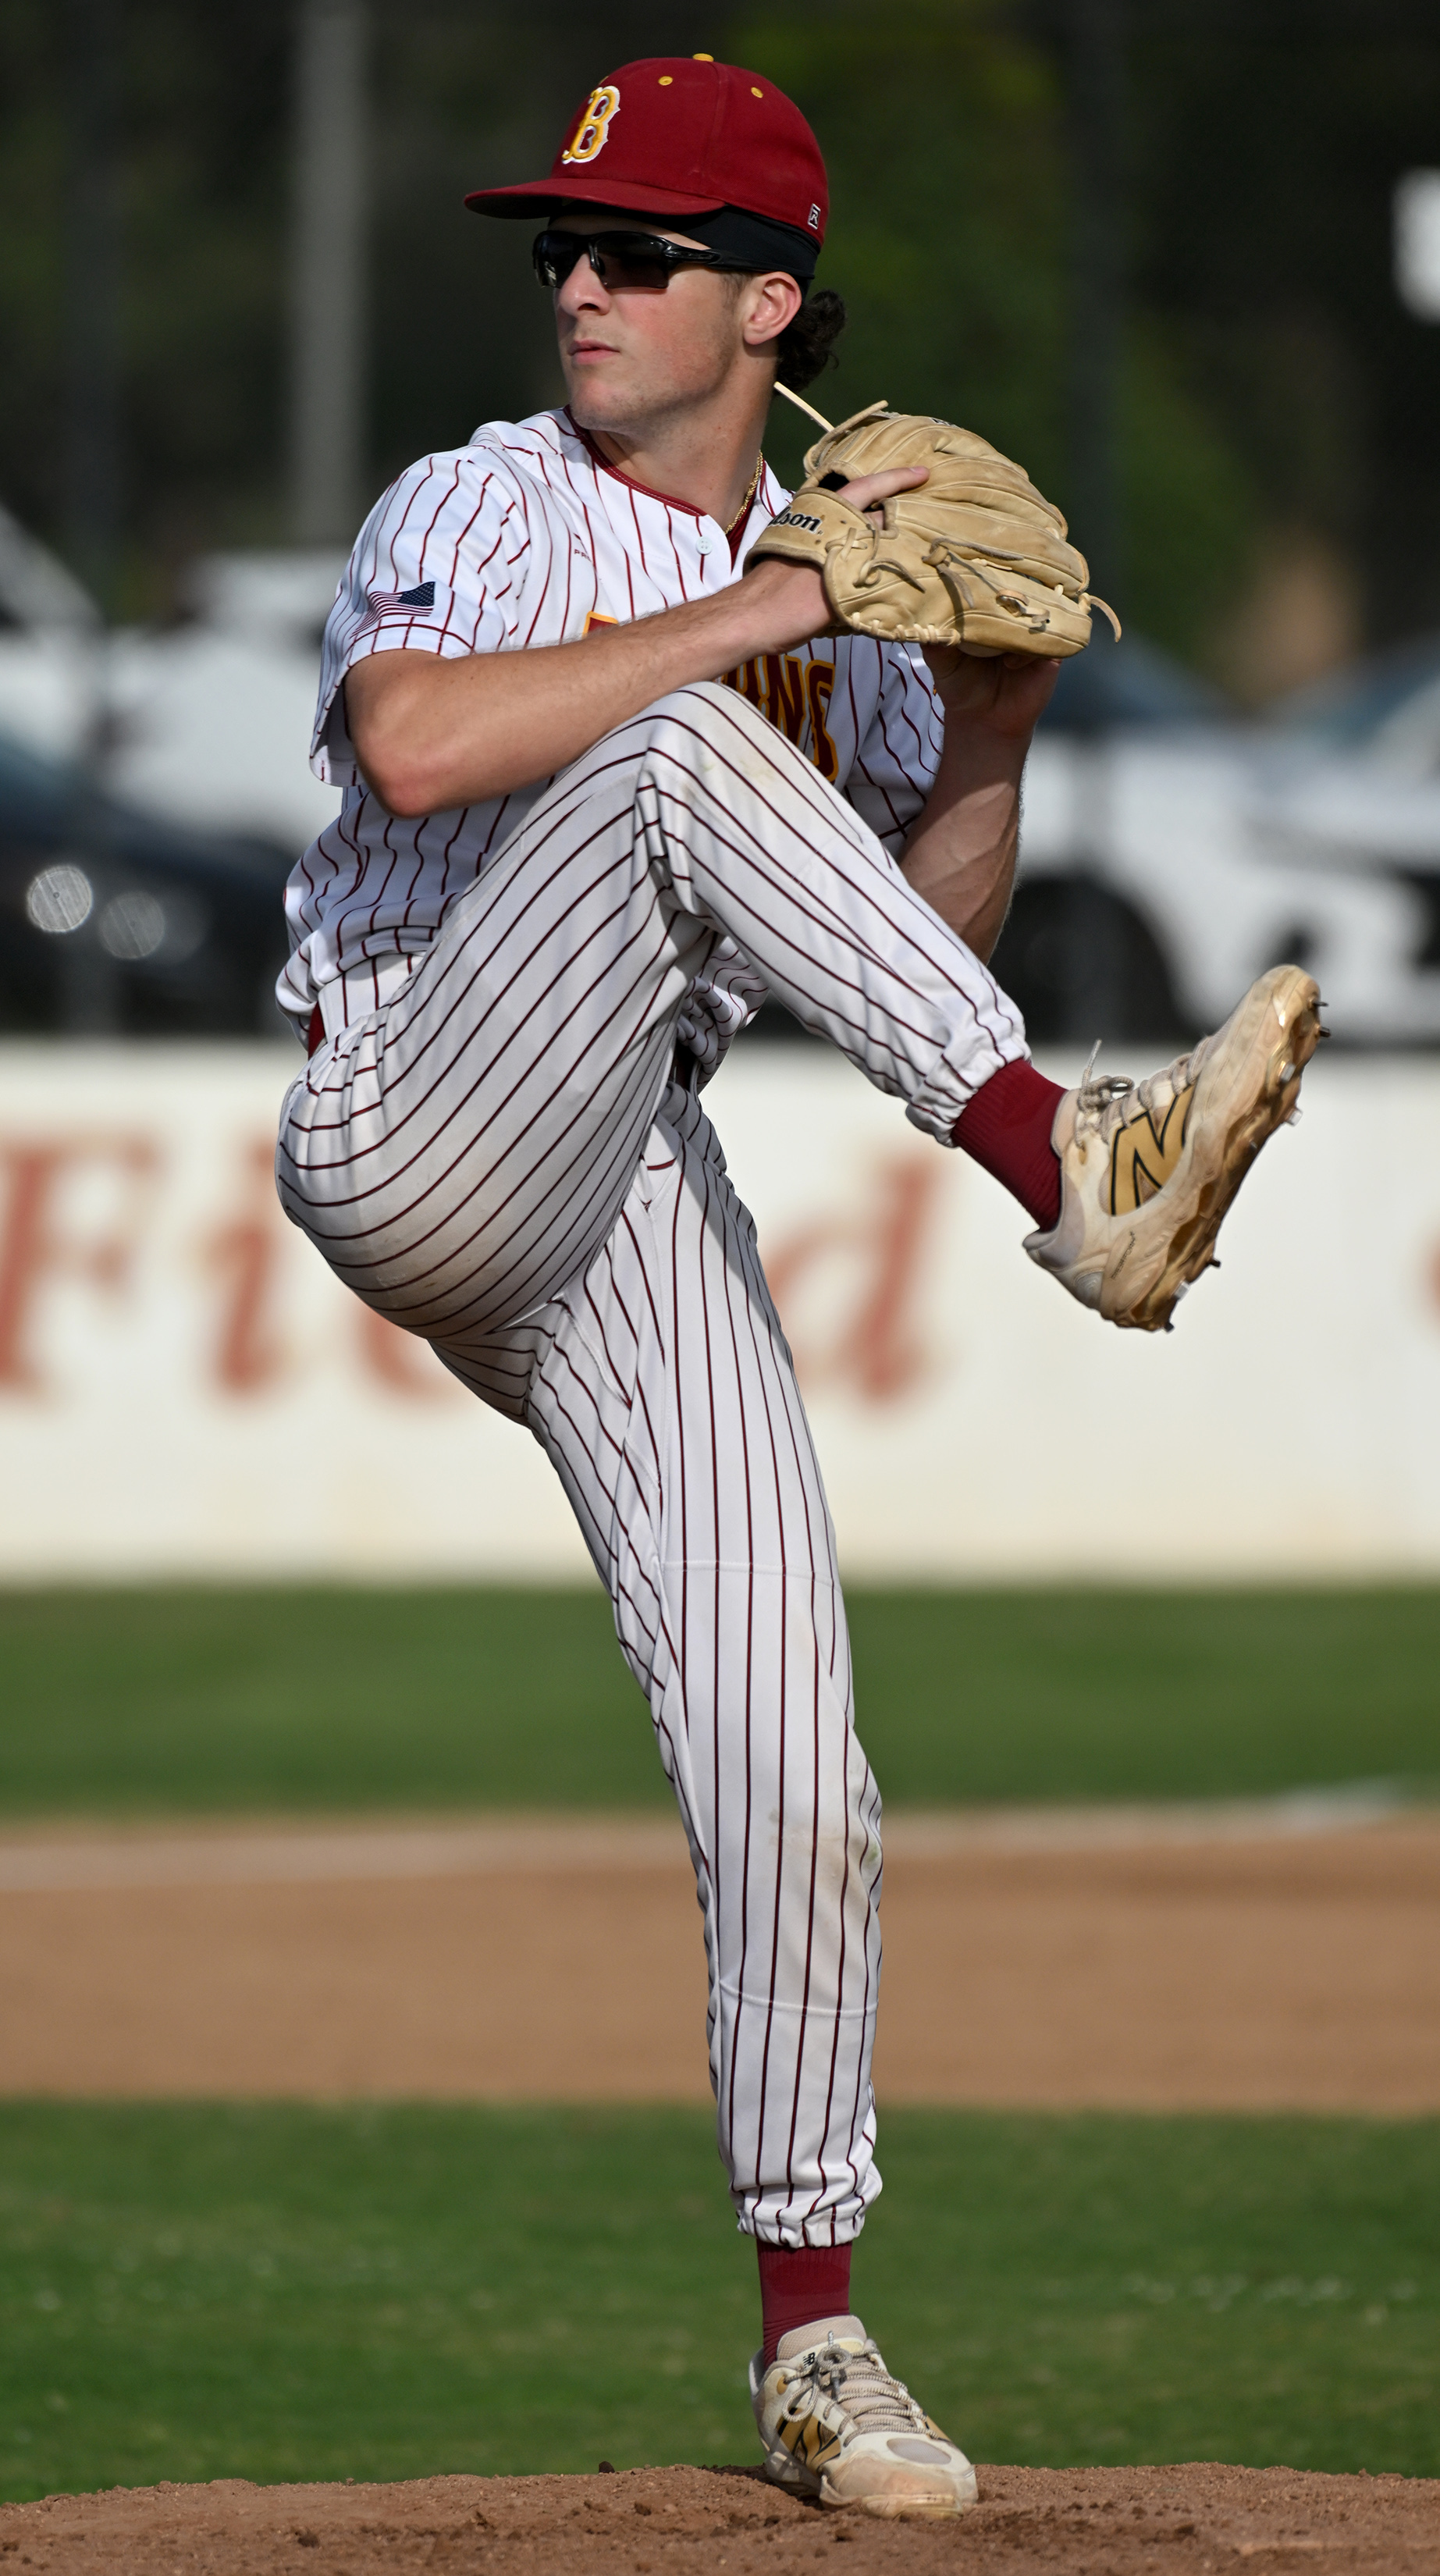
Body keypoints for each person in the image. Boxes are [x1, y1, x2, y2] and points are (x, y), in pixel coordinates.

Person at [274, 56, 1317, 2519]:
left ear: (767, 301)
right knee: (659, 745)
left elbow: (904, 956)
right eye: (563, 248)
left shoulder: (833, 609)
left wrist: (987, 717)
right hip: (420, 1085)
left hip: (617, 1164)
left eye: (634, 252)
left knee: (796, 1750)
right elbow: (418, 754)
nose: (580, 289)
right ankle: (1085, 1170)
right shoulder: (487, 499)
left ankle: (815, 2334)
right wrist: (772, 606)